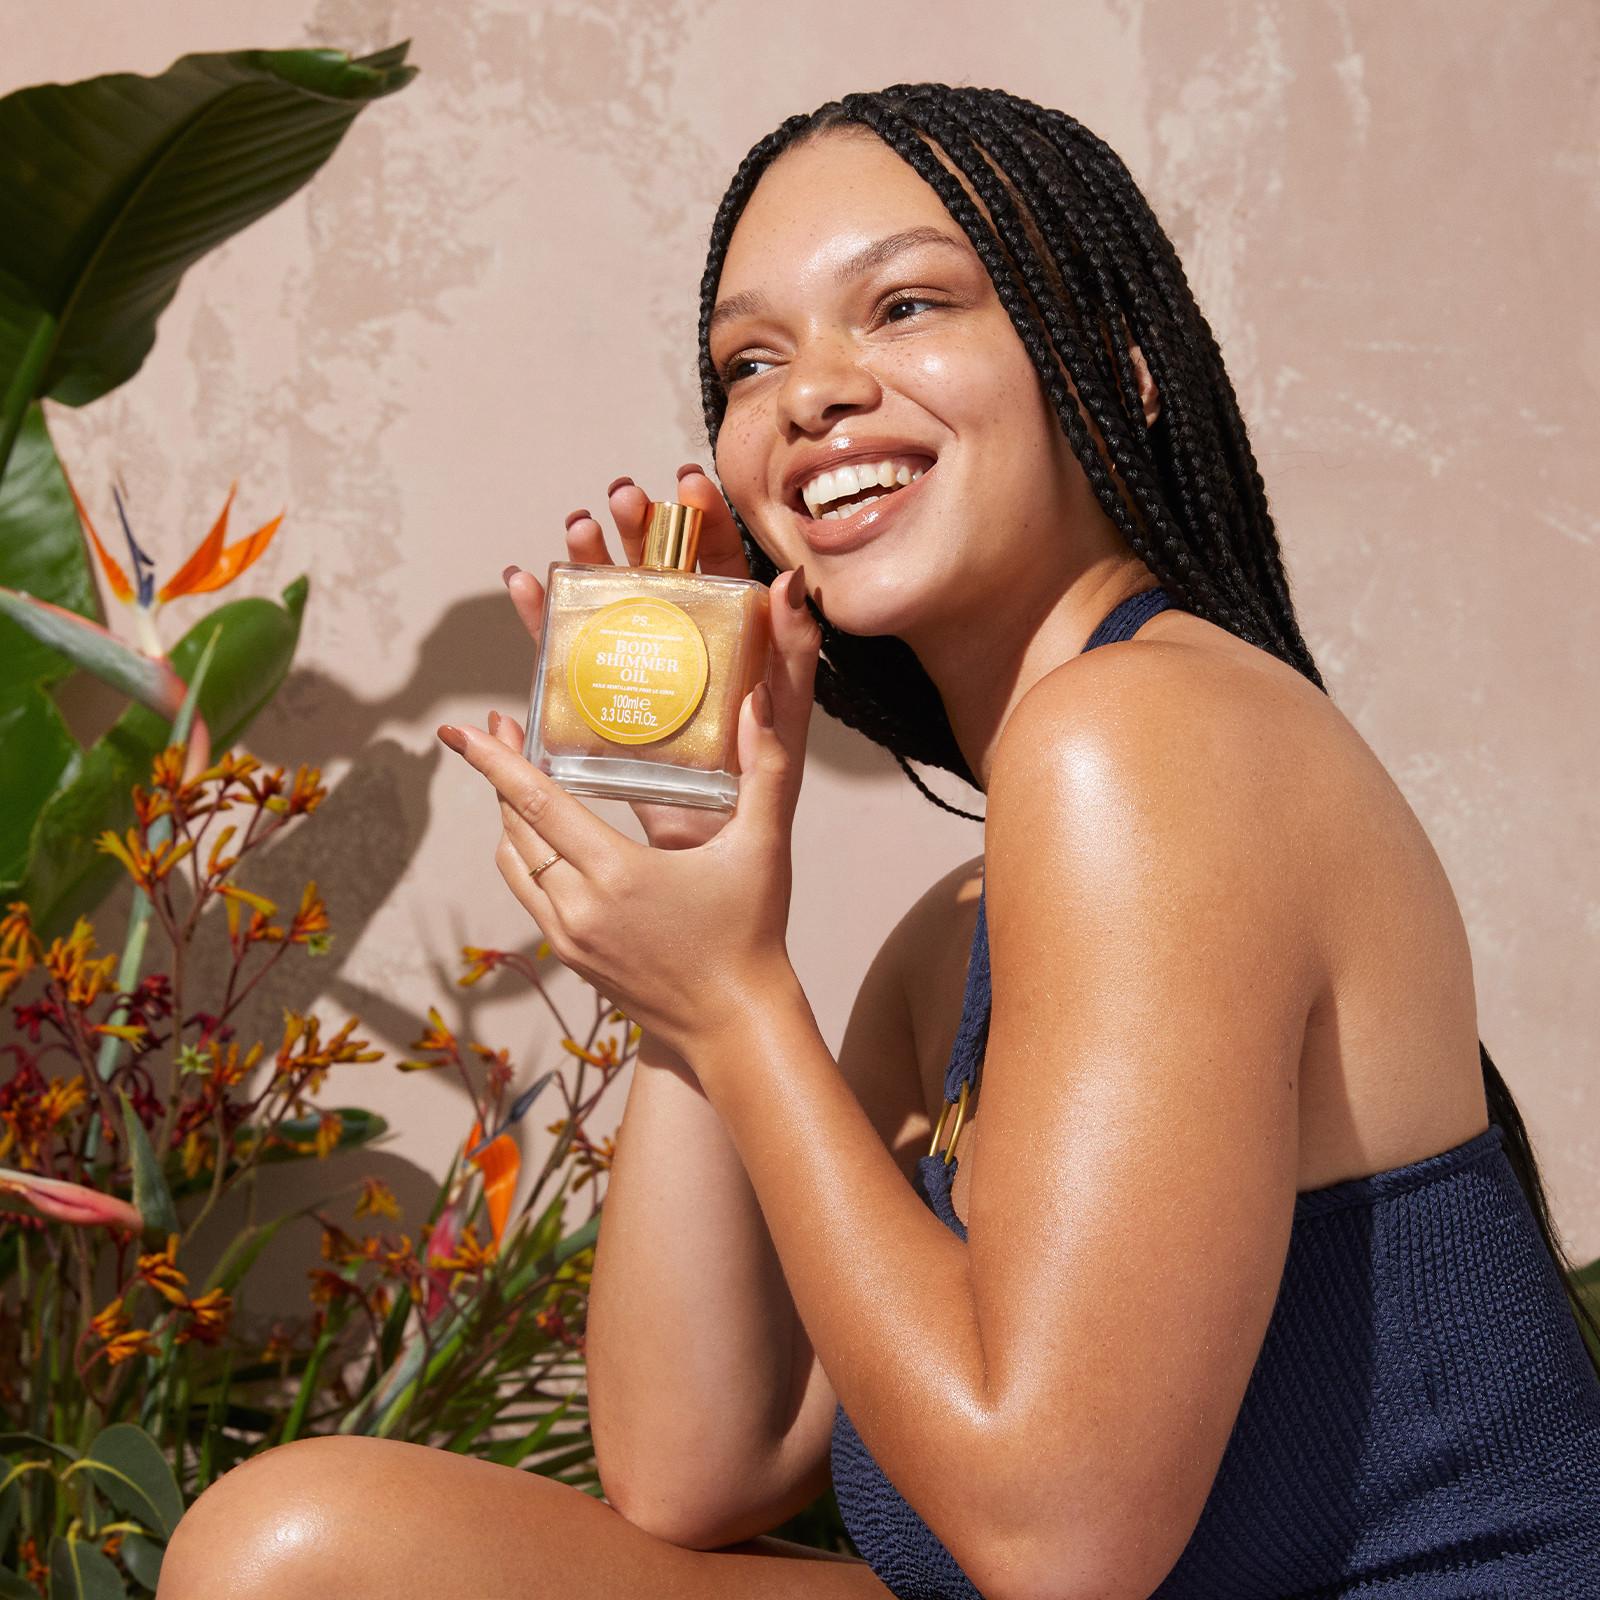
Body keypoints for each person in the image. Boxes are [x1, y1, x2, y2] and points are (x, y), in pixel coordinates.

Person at [157, 83, 1600, 1600]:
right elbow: (694, 1461)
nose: (811, 394)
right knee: (298, 1554)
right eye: (749, 359)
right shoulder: (958, 933)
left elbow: (1061, 1540)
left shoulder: (1150, 745)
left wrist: (735, 1000)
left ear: (1116, 369)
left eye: (905, 305)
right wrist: (691, 901)